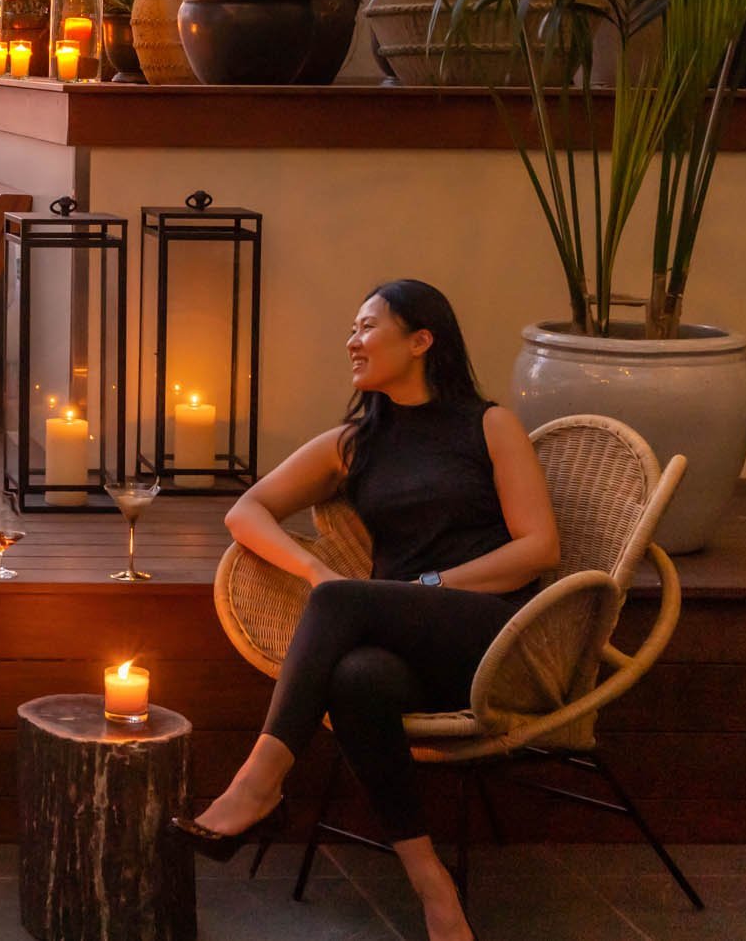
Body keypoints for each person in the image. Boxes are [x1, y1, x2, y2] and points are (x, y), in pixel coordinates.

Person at [171, 279, 559, 941]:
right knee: (357, 680)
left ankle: (259, 784)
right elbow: (246, 512)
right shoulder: (355, 442)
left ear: (420, 340)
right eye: (352, 329)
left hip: (490, 633)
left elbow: (538, 548)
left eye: (367, 327)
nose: (351, 342)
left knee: (347, 604)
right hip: (397, 644)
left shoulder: (487, 425)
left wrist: (431, 586)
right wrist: (320, 573)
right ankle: (432, 886)